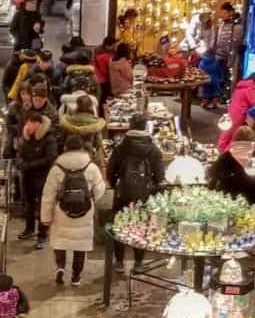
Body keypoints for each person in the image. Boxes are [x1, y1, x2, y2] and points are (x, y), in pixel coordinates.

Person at [40, 135, 106, 286]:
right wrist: (91, 199)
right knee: (80, 244)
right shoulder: (91, 167)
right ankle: (76, 276)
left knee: (60, 241)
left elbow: (48, 195)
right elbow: (100, 188)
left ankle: (60, 268)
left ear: (65, 148)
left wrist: (45, 217)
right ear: (82, 148)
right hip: (85, 210)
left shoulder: (56, 168)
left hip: (61, 211)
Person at [106, 113, 165, 273]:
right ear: (145, 127)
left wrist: (114, 185)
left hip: (123, 194)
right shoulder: (153, 149)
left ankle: (119, 262)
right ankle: (138, 263)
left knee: (120, 226)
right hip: (144, 195)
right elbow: (160, 176)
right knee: (141, 226)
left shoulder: (120, 148)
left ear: (130, 126)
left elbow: (110, 171)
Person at [17, 112, 57, 248]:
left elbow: (50, 158)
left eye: (31, 124)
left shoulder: (49, 138)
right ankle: (29, 229)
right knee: (28, 204)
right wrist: (20, 162)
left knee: (42, 207)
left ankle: (42, 235)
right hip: (27, 176)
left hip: (42, 177)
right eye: (27, 123)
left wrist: (30, 165)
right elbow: (20, 153)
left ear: (38, 124)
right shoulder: (26, 138)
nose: (28, 126)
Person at [207, 126, 255, 205]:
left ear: (235, 138)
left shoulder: (227, 156)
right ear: (254, 139)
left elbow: (213, 173)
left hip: (228, 198)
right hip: (252, 198)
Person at [218, 76, 255, 151]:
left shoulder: (241, 86)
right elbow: (254, 103)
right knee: (236, 134)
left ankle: (221, 147)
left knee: (227, 131)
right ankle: (227, 152)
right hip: (240, 113)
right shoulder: (251, 89)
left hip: (232, 110)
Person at [210, 0, 244, 93]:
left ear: (231, 12)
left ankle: (226, 94)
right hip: (219, 55)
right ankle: (218, 94)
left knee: (227, 77)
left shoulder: (237, 26)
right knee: (218, 76)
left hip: (229, 57)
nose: (223, 15)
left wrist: (231, 57)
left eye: (225, 13)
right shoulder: (221, 24)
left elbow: (235, 43)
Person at [59, 93, 106, 160]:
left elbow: (62, 141)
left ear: (77, 106)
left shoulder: (67, 121)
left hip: (68, 156)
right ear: (91, 107)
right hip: (88, 158)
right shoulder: (96, 124)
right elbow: (99, 145)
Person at [93, 35, 116, 100]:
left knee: (101, 98)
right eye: (113, 45)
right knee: (104, 98)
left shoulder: (99, 51)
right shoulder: (103, 55)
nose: (114, 47)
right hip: (103, 79)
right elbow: (105, 70)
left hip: (99, 78)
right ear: (107, 45)